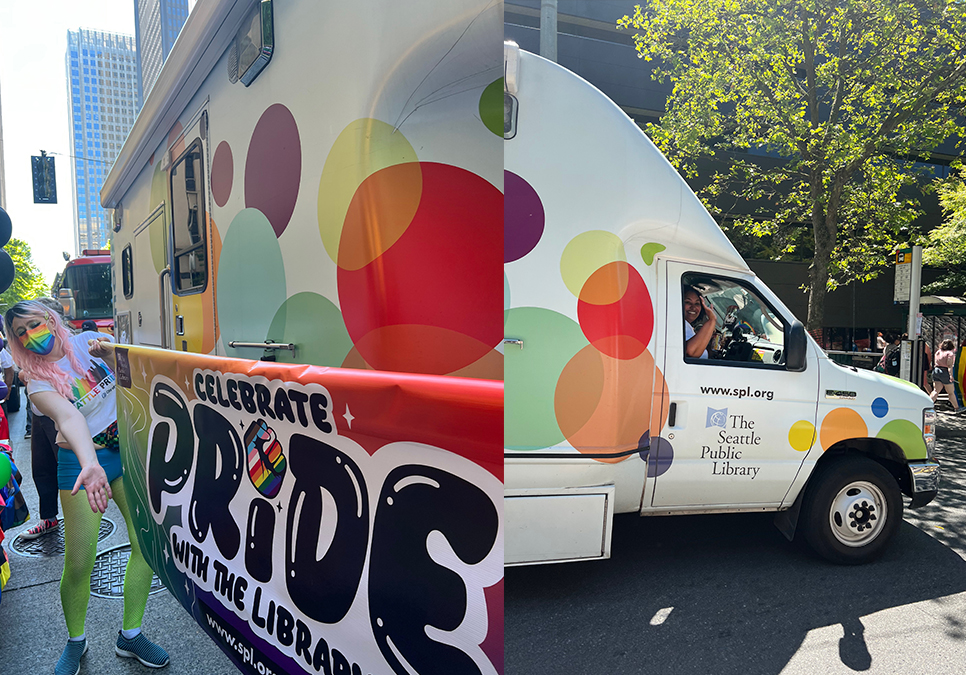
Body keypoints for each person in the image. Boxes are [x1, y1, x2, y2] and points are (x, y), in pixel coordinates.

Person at [4, 300, 169, 673]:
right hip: (81, 465)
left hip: (126, 451)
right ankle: (76, 641)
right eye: (20, 333)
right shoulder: (38, 381)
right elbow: (69, 415)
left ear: (49, 319)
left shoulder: (91, 342)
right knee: (80, 562)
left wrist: (112, 357)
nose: (31, 336)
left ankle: (131, 633)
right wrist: (90, 464)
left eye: (34, 324)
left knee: (146, 543)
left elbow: (137, 379)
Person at [20, 298, 73, 540]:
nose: (31, 333)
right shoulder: (29, 350)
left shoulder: (67, 347)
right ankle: (49, 518)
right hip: (39, 416)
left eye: (35, 323)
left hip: (58, 418)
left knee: (67, 471)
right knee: (42, 469)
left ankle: (78, 522)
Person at [683, 285, 716, 359]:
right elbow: (692, 352)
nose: (693, 307)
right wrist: (712, 320)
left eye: (697, 303)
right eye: (688, 302)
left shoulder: (687, 326)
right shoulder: (683, 325)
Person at [930, 339, 961, 413]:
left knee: (935, 391)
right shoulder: (950, 353)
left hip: (936, 371)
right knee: (951, 392)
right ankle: (957, 408)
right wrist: (951, 376)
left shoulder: (938, 352)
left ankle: (927, 405)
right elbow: (949, 366)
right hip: (945, 372)